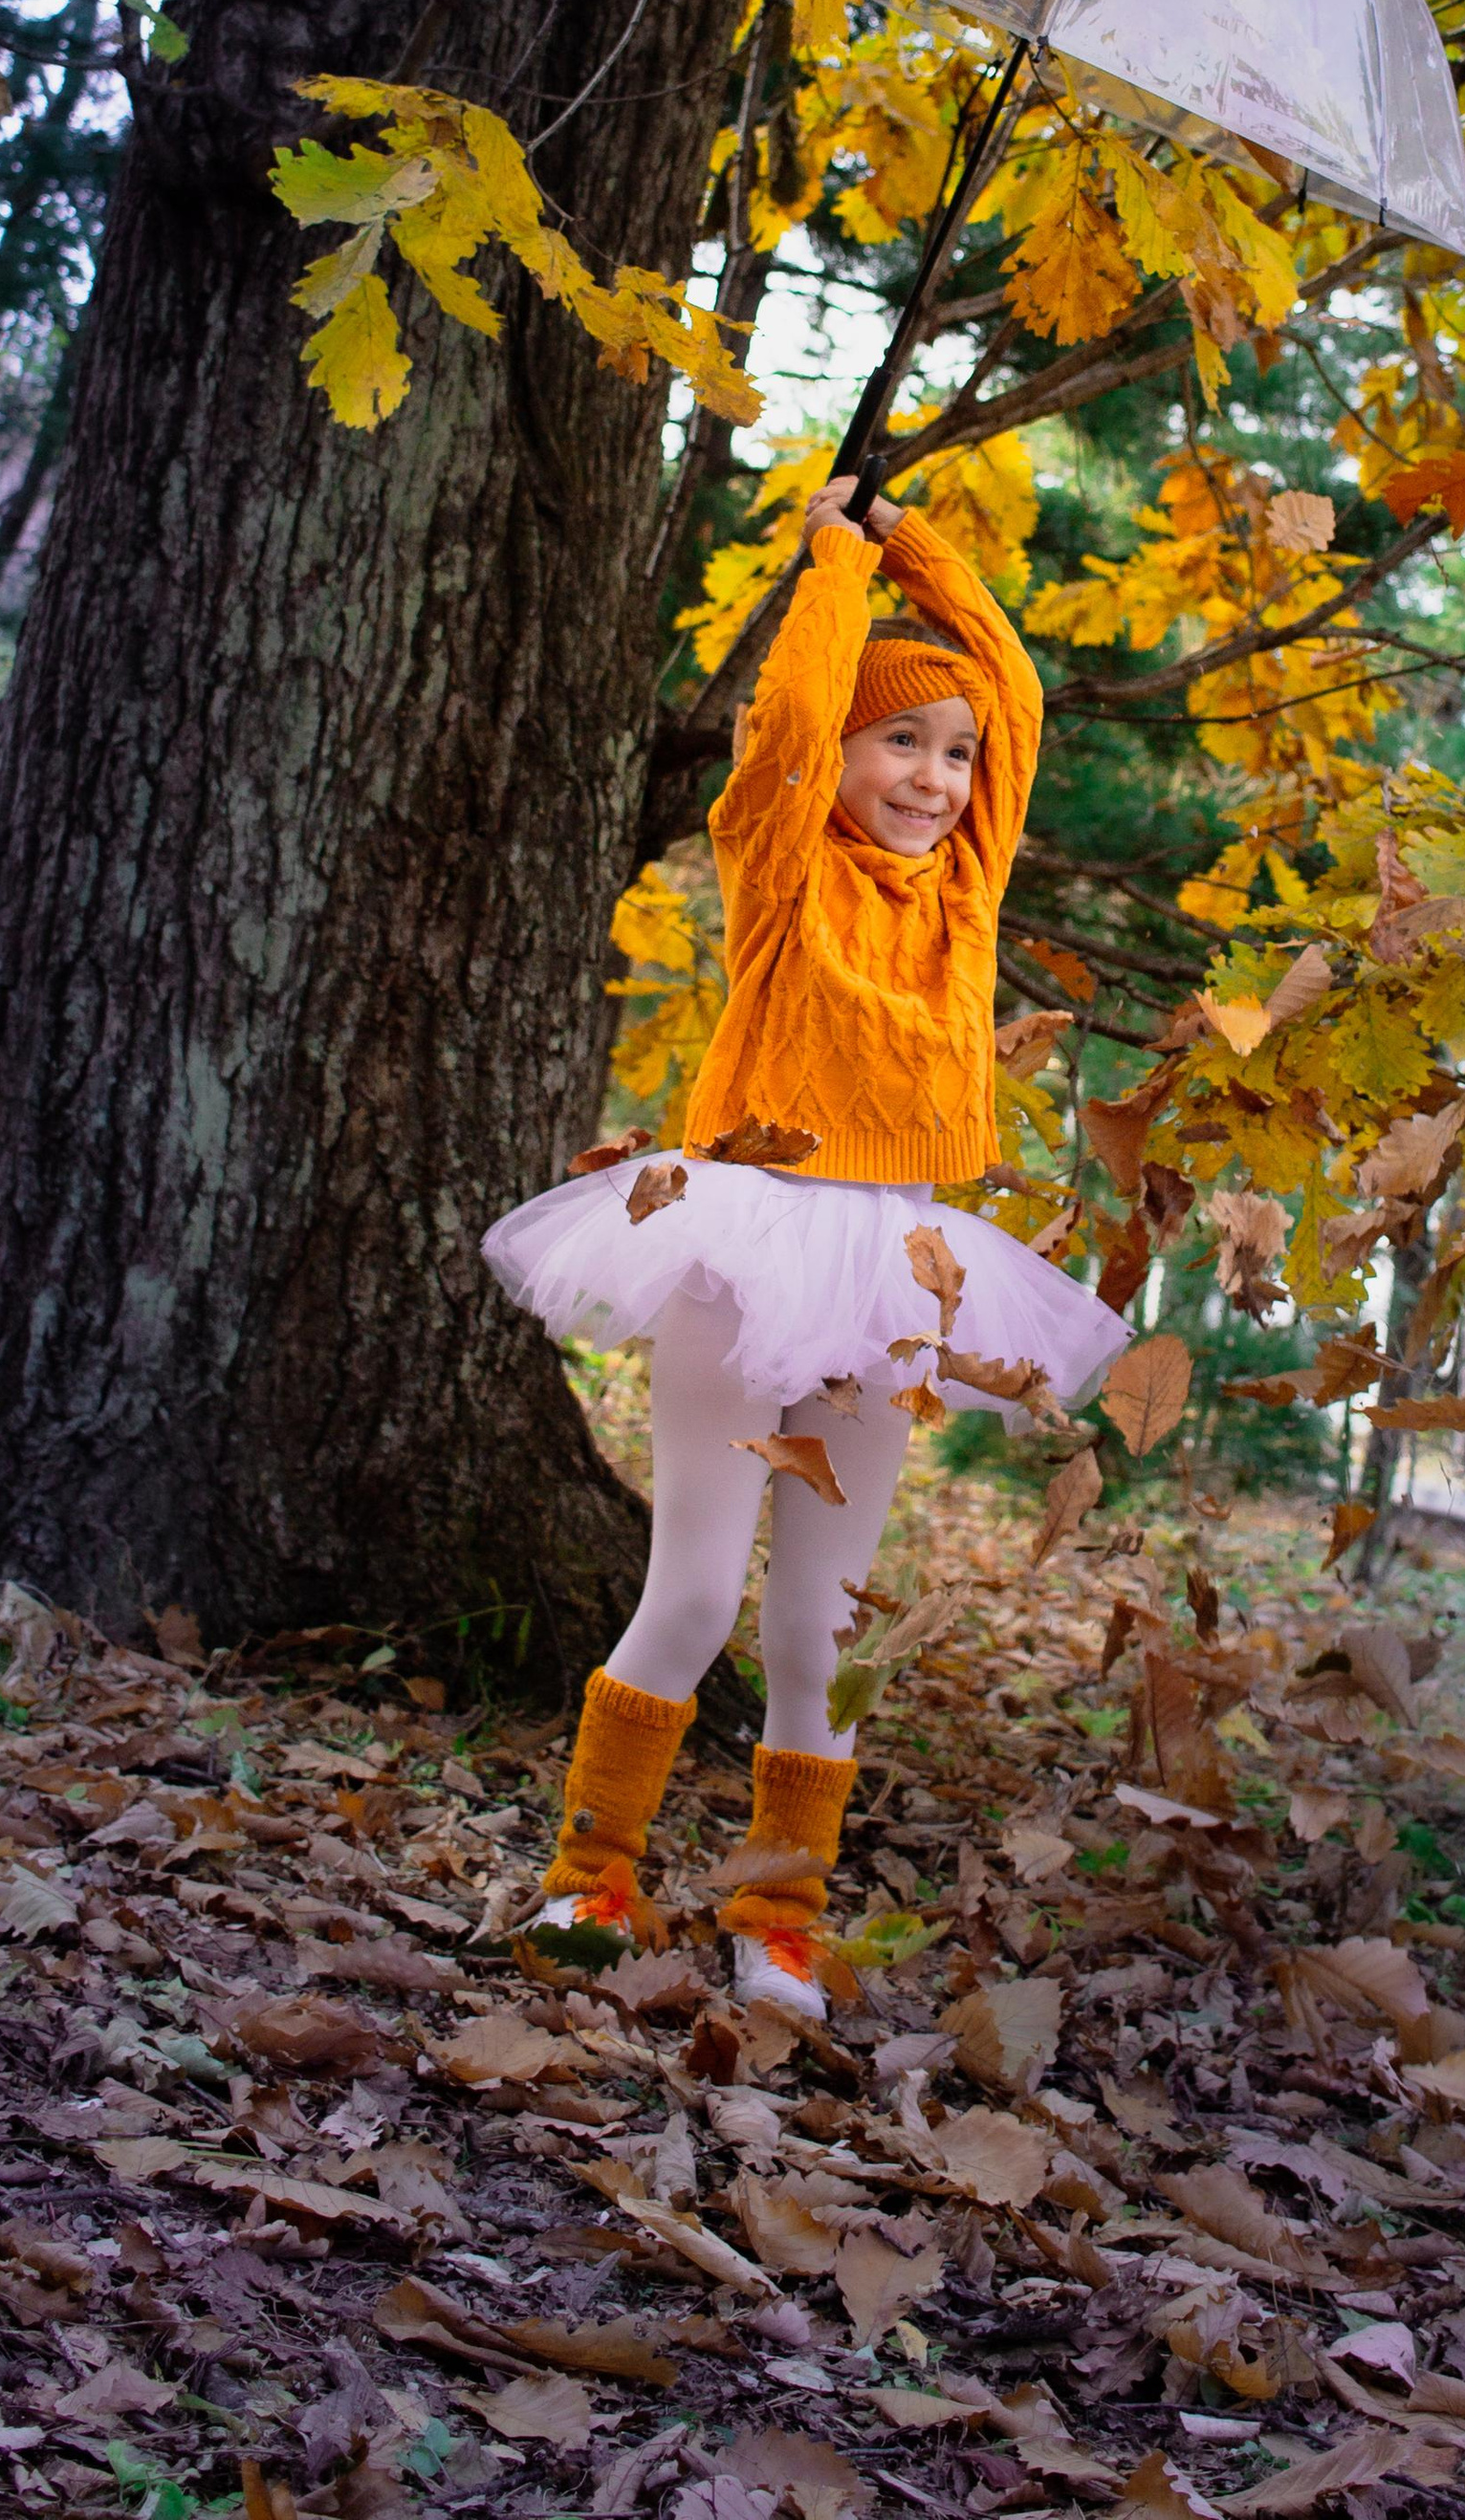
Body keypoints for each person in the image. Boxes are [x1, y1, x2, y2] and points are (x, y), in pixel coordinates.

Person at [482, 471, 1115, 2020]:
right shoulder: (782, 867)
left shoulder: (965, 892)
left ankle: (778, 1916)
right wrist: (833, 565)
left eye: (953, 753)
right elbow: (785, 725)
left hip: (901, 1268)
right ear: (838, 752)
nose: (935, 777)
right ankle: (588, 1879)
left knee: (820, 1626)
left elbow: (1016, 690)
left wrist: (910, 542)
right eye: (901, 741)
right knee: (698, 1592)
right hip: (744, 1243)